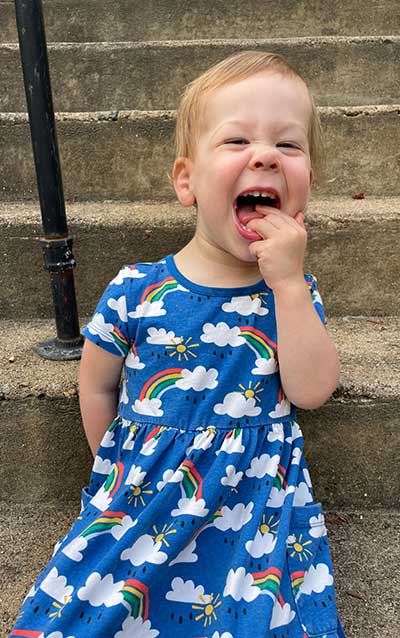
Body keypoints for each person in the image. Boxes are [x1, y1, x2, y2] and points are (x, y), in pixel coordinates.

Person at [10, 51, 345, 638]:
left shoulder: (292, 293)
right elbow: (97, 381)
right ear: (186, 181)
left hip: (255, 508)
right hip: (145, 492)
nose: (265, 155)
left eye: (288, 147)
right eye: (237, 139)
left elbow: (312, 391)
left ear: (307, 185)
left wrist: (290, 285)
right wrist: (109, 467)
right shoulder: (138, 288)